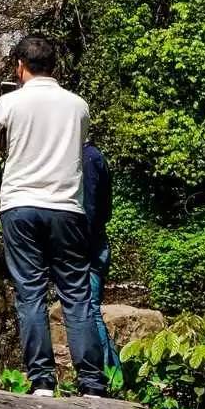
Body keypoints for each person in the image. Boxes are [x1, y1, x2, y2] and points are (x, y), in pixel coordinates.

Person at [0, 33, 106, 397]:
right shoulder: (78, 105)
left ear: (20, 66)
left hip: (20, 205)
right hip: (66, 207)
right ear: (55, 66)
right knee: (77, 295)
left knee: (31, 293)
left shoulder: (10, 102)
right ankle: (92, 384)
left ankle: (42, 382)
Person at [83, 139, 122, 383]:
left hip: (88, 246)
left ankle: (105, 373)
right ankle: (114, 371)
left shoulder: (87, 159)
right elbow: (106, 209)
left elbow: (91, 207)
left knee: (89, 308)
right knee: (90, 307)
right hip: (96, 243)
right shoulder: (95, 156)